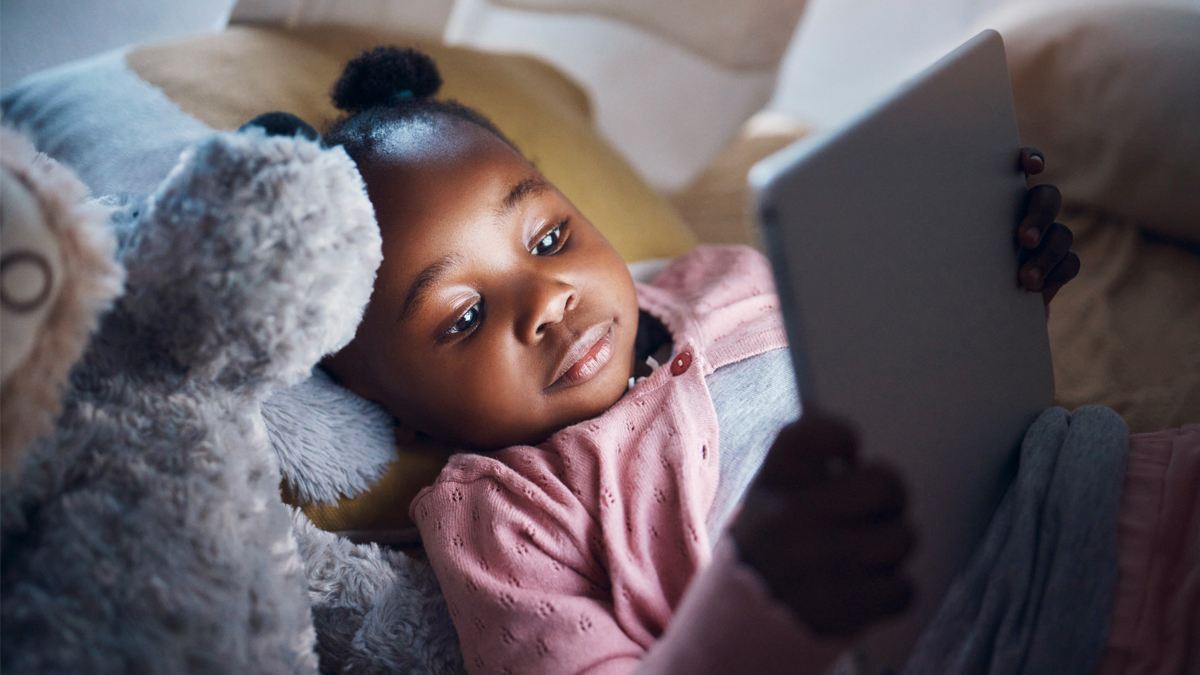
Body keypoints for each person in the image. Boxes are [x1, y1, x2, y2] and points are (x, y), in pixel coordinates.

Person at [320, 47, 1078, 675]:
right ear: (390, 408)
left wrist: (997, 303)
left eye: (549, 240)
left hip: (1089, 488)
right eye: (465, 315)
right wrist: (757, 600)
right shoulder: (504, 514)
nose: (548, 298)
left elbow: (923, 404)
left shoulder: (729, 278)